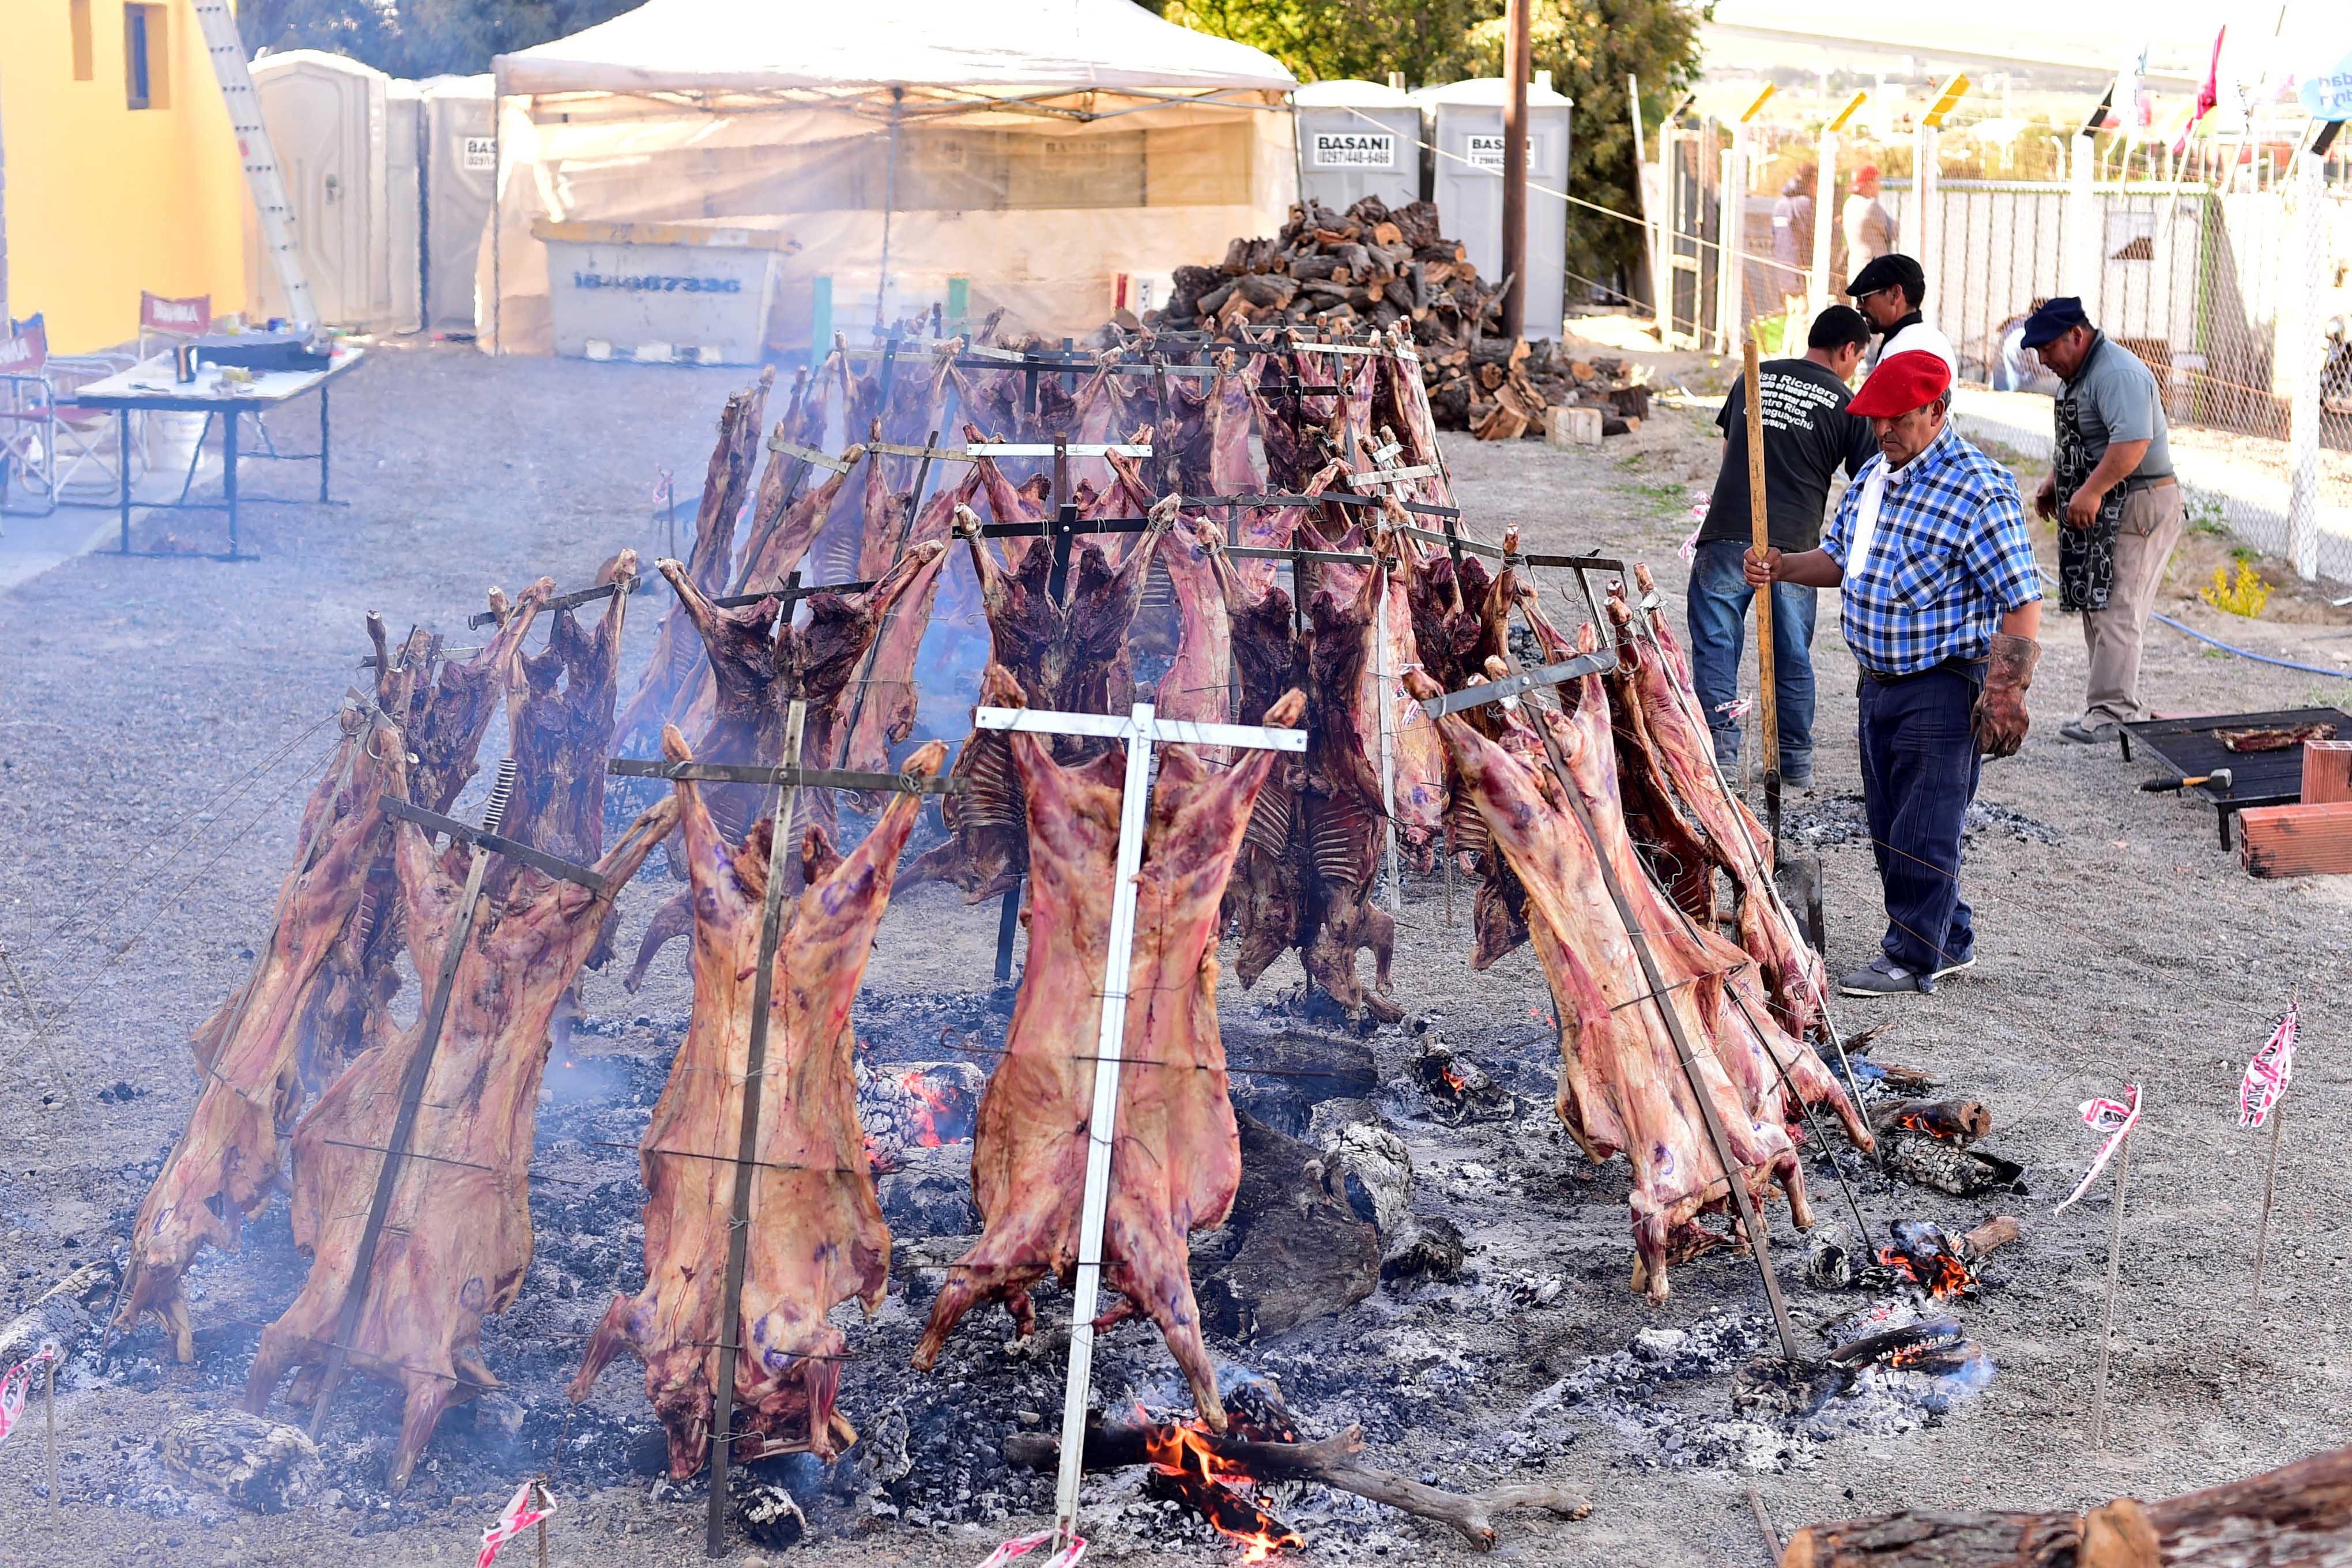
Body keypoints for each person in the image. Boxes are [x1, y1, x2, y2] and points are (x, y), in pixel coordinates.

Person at [1744, 350, 2043, 998]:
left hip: (1943, 682)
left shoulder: (1978, 486)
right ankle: (1947, 935)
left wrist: (2006, 691)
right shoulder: (1875, 478)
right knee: (1889, 824)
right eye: (1876, 418)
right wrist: (1783, 565)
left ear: (1937, 411)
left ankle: (1915, 955)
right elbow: (1840, 557)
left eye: (1899, 418)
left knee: (1923, 828)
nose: (1884, 430)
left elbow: (2021, 598)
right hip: (1876, 683)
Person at [1688, 305, 1878, 789]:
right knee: (1790, 651)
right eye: (1858, 358)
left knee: (1717, 643)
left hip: (1727, 530)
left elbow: (1732, 454)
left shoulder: (1755, 376)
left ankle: (1720, 755)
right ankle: (1792, 758)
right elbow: (1869, 481)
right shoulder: (1846, 402)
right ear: (1849, 350)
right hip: (1792, 545)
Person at [2020, 296, 2184, 742]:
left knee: (2117, 606)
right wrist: (2057, 480)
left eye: (2049, 348)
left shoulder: (2116, 373)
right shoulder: (2081, 374)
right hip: (2109, 500)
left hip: (2140, 501)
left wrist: (2090, 490)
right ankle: (2106, 706)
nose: (2043, 359)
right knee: (2096, 602)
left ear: (2077, 335)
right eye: (2037, 352)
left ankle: (2114, 712)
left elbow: (2132, 443)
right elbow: (2084, 434)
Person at [1847, 254, 1957, 378]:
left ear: (1895, 294)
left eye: (1863, 298)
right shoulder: (1937, 340)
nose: (1859, 306)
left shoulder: (1900, 349)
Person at [1772, 166, 1818, 311]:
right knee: (1804, 319)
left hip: (1784, 273)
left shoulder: (1780, 205)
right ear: (1811, 182)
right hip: (1801, 274)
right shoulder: (1804, 204)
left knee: (1793, 317)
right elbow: (1815, 235)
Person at [1842, 164, 1897, 277]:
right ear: (1869, 183)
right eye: (1877, 181)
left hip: (1856, 270)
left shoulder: (1849, 204)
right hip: (1874, 273)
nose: (1879, 185)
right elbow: (1894, 232)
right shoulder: (1871, 206)